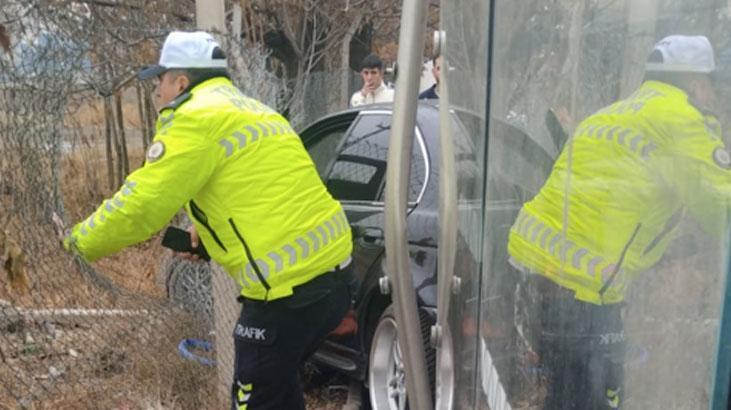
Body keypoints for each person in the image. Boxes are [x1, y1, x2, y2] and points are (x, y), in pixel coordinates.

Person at [57, 31, 354, 410]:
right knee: (276, 388)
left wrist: (78, 244)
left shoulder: (194, 118)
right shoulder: (251, 108)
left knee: (253, 399)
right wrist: (209, 237)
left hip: (287, 294)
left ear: (180, 81)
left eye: (160, 81)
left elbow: (140, 207)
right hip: (334, 277)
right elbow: (261, 193)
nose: (157, 93)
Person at [507, 35, 729, 409]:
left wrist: (663, 249)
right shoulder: (683, 120)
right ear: (695, 82)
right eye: (712, 85)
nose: (714, 96)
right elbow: (720, 206)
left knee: (565, 394)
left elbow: (608, 200)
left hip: (531, 266)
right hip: (582, 286)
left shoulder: (614, 113)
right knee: (601, 396)